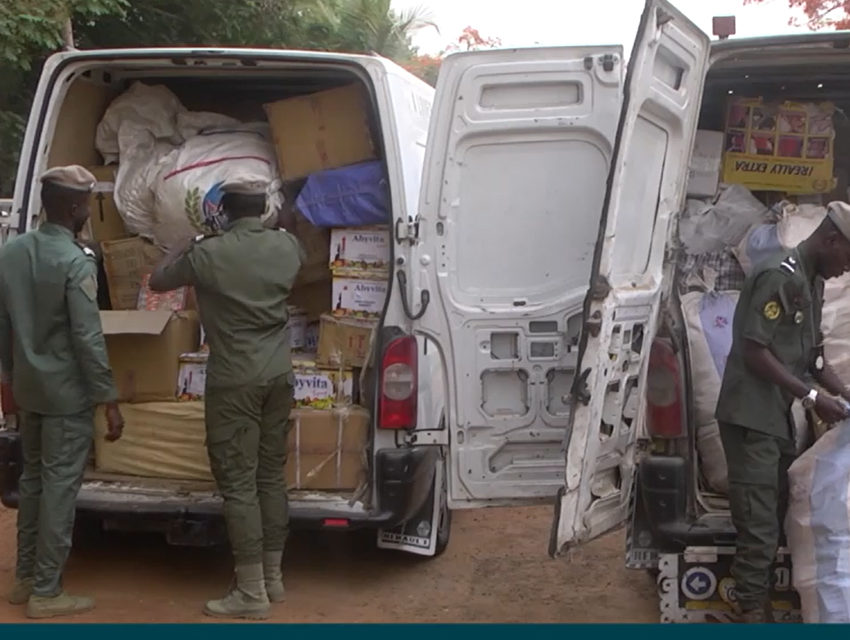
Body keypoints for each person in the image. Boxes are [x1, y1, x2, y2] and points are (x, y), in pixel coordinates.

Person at [149, 178, 303, 620]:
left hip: (234, 378)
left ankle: (250, 593)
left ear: (224, 211)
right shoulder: (287, 247)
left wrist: (187, 241)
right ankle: (273, 580)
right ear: (261, 209)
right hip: (278, 374)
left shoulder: (207, 253)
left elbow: (159, 280)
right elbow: (298, 249)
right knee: (270, 476)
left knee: (238, 484)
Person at [716, 201, 850, 623]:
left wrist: (843, 395)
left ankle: (759, 608)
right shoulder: (781, 275)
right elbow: (754, 352)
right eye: (849, 258)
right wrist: (811, 399)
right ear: (831, 240)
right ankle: (751, 614)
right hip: (750, 417)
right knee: (758, 527)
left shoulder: (811, 281)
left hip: (775, 418)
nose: (847, 271)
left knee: (774, 516)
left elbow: (812, 358)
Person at [0, 165, 124, 619]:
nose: (88, 211)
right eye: (87, 204)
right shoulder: (76, 261)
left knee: (32, 482)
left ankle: (25, 578)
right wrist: (108, 399)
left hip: (29, 390)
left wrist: (7, 381)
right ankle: (47, 591)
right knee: (58, 489)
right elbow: (87, 339)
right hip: (66, 395)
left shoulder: (12, 252)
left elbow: (4, 325)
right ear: (75, 208)